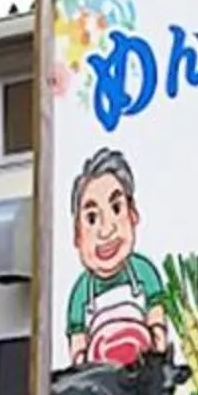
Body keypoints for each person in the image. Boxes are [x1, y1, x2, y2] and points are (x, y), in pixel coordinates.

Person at [62, 148, 169, 366]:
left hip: (144, 376)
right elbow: (78, 348)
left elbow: (157, 322)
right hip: (101, 386)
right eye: (92, 218)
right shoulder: (81, 293)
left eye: (116, 208)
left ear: (133, 214)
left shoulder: (143, 272)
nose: (106, 230)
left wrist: (158, 355)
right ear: (76, 235)